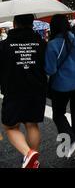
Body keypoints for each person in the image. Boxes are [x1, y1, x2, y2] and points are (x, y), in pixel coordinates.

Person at [0, 14, 47, 168]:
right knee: (32, 124)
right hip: (36, 89)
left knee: (10, 126)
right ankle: (32, 160)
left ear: (14, 24)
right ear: (32, 24)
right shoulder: (41, 43)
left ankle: (28, 154)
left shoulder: (4, 45)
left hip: (13, 90)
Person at [45, 15, 75, 161]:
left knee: (58, 114)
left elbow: (50, 70)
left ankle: (72, 141)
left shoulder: (52, 45)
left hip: (61, 86)